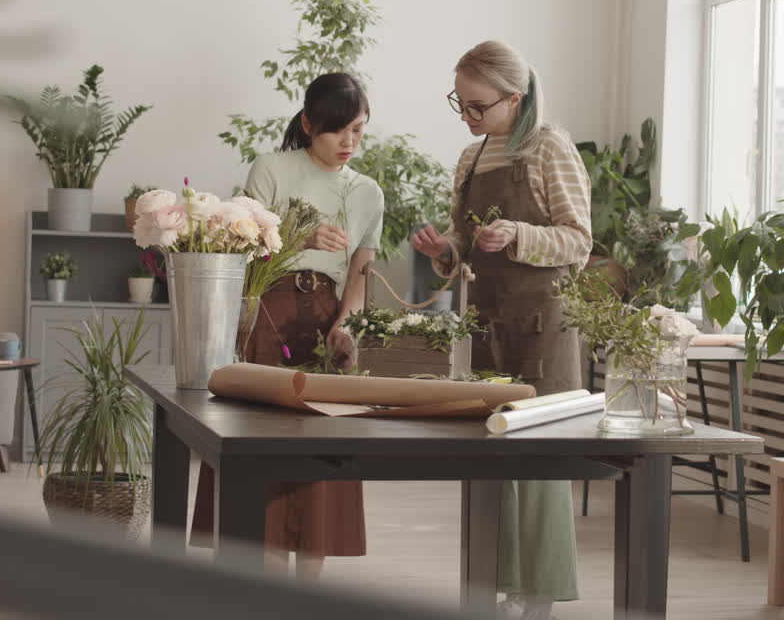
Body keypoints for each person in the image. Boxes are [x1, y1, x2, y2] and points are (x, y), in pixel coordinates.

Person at [411, 41, 591, 619]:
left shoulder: (550, 149)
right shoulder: (471, 158)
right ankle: (491, 585)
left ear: (516, 98)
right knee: (490, 455)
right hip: (487, 323)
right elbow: (464, 250)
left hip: (545, 325)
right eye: (459, 104)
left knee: (540, 462)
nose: (468, 117)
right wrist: (446, 250)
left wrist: (517, 234)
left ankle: (537, 597)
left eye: (478, 106)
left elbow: (579, 241)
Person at [191, 72, 385, 579]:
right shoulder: (272, 169)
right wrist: (300, 236)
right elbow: (246, 250)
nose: (349, 143)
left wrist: (349, 327)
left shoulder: (368, 193)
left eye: (359, 131)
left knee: (322, 454)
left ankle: (307, 596)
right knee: (263, 448)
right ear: (308, 124)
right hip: (268, 314)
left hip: (325, 323)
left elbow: (360, 280)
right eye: (337, 130)